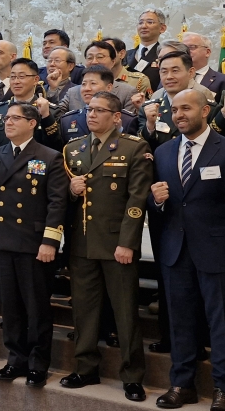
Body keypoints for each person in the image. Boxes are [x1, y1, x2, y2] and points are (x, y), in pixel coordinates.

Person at [0, 102, 68, 388]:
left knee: (36, 308)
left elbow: (57, 203)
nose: (8, 122)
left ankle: (38, 364)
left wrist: (50, 241)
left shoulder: (49, 156)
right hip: (2, 240)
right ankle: (15, 360)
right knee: (10, 307)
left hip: (33, 243)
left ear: (32, 123)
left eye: (15, 118)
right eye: (6, 118)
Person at [60, 92, 152, 401]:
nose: (92, 115)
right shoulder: (73, 148)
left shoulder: (133, 147)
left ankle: (133, 376)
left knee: (125, 313)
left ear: (116, 116)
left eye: (99, 110)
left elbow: (136, 200)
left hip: (116, 244)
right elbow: (62, 197)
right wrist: (72, 191)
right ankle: (85, 368)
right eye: (89, 110)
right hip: (82, 242)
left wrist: (127, 243)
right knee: (84, 310)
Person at [150, 89, 225, 409]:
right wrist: (156, 200)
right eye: (174, 110)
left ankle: (222, 388)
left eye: (186, 108)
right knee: (180, 321)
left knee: (220, 322)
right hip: (175, 250)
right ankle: (182, 384)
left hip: (216, 249)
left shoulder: (223, 148)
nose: (179, 115)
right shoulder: (163, 151)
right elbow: (158, 201)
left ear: (205, 111)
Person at [0, 58, 61, 149]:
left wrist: (46, 116)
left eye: (22, 77)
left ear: (35, 79)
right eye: (12, 77)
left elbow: (57, 146)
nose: (16, 82)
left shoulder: (50, 111)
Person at [56, 41, 140, 117]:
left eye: (100, 57)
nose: (94, 62)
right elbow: (56, 118)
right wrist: (53, 89)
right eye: (89, 58)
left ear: (113, 62)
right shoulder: (73, 92)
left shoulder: (127, 92)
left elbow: (128, 124)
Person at [59, 66, 139, 144]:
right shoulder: (67, 120)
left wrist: (118, 131)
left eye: (93, 83)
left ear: (109, 87)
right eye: (83, 84)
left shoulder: (127, 120)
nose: (87, 88)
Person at [124, 9, 166, 92]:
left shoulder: (164, 54)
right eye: (140, 23)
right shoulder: (125, 55)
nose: (143, 26)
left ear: (162, 28)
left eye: (150, 22)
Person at [184, 32, 225, 103]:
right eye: (183, 48)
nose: (186, 51)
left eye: (192, 47)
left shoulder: (222, 80)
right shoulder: (174, 77)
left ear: (207, 52)